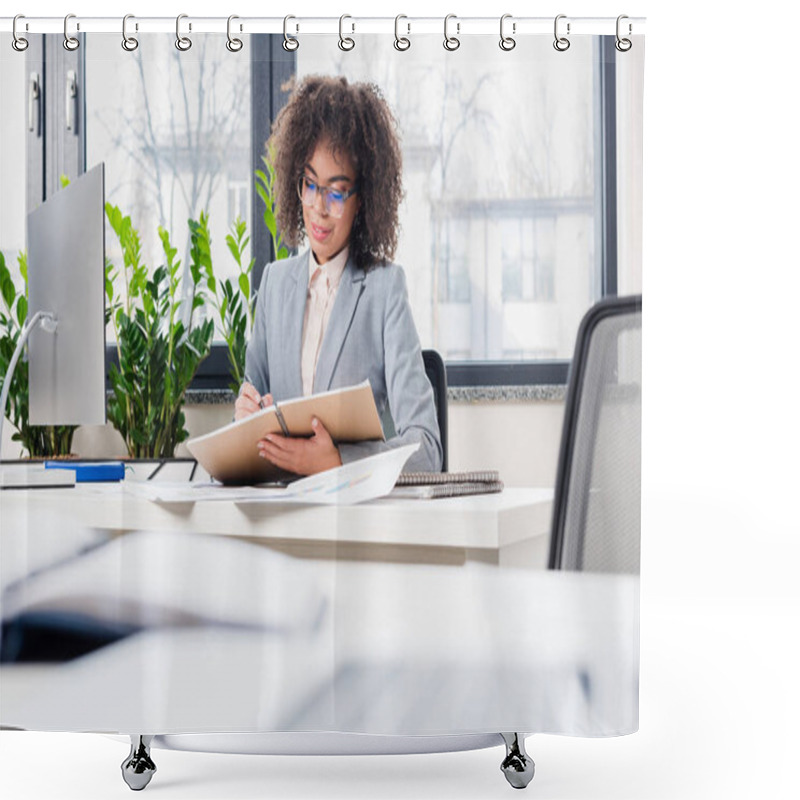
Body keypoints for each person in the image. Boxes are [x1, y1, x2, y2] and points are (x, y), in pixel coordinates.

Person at [234, 75, 442, 476]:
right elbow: (251, 428)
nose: (318, 208)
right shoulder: (275, 286)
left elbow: (427, 450)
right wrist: (245, 420)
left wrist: (338, 461)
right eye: (310, 184)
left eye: (336, 191)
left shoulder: (384, 290)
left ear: (362, 199)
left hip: (352, 522)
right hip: (281, 516)